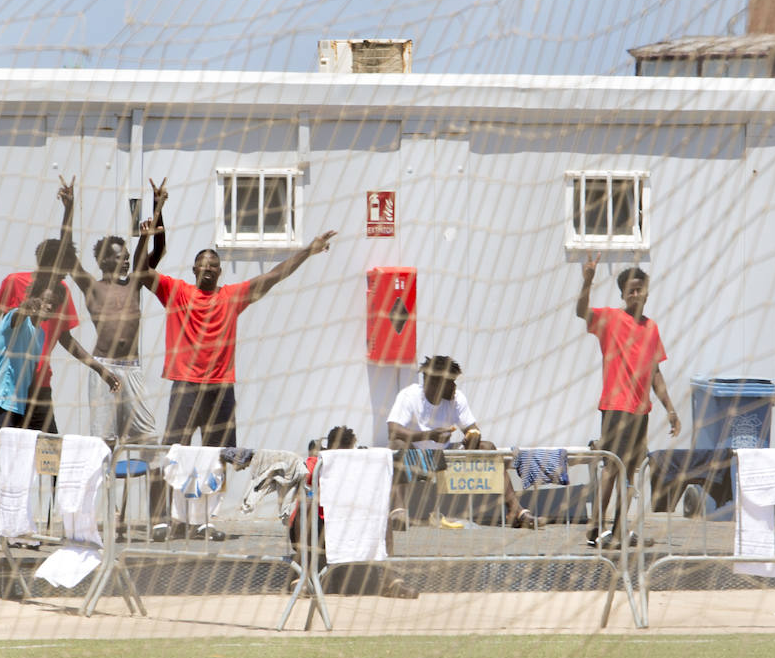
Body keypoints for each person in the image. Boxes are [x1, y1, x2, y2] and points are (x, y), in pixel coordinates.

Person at [143, 230, 337, 539]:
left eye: (213, 266)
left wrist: (308, 251)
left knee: (217, 456)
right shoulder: (176, 291)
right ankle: (164, 520)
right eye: (202, 265)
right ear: (194, 270)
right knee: (175, 452)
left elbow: (274, 276)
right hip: (186, 386)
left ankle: (205, 521)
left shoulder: (231, 296)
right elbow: (142, 271)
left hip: (220, 389)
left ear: (220, 271)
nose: (207, 269)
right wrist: (157, 218)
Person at [0, 200, 122, 439]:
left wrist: (99, 369)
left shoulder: (62, 291)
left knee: (51, 452)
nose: (65, 273)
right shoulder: (15, 282)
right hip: (11, 386)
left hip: (40, 385)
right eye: (61, 267)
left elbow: (66, 339)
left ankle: (56, 478)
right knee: (10, 449)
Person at [575, 254, 680, 548]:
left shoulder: (651, 328)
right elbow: (582, 311)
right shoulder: (610, 318)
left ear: (646, 292)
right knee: (612, 466)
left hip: (639, 411)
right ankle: (595, 526)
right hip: (615, 406)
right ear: (622, 294)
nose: (635, 294)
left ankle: (620, 530)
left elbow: (655, 372)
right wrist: (587, 279)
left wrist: (670, 409)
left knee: (630, 471)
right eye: (629, 290)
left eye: (640, 289)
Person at [56, 175, 166, 448]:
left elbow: (159, 247)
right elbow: (67, 254)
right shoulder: (92, 287)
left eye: (128, 255)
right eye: (120, 256)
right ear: (104, 260)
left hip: (133, 368)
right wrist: (69, 210)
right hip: (104, 366)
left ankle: (141, 489)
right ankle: (104, 488)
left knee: (148, 439)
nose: (127, 259)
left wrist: (158, 207)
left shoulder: (134, 284)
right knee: (104, 443)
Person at [386, 355, 535, 530]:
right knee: (396, 445)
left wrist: (473, 438)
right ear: (437, 383)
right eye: (451, 382)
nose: (455, 387)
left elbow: (472, 429)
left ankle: (515, 511)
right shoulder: (410, 395)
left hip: (446, 456)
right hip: (417, 456)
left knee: (487, 447)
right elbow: (393, 430)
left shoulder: (457, 398)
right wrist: (429, 436)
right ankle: (399, 511)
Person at [0, 288, 59, 535]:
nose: (49, 307)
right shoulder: (14, 320)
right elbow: (20, 314)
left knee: (12, 470)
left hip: (17, 409)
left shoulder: (40, 334)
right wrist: (29, 305)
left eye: (53, 304)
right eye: (45, 302)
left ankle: (10, 524)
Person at [289, 425, 418, 599]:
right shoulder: (318, 462)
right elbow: (303, 482)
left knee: (381, 515)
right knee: (305, 505)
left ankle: (391, 580)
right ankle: (302, 576)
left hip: (351, 523)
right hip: (325, 524)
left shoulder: (361, 462)